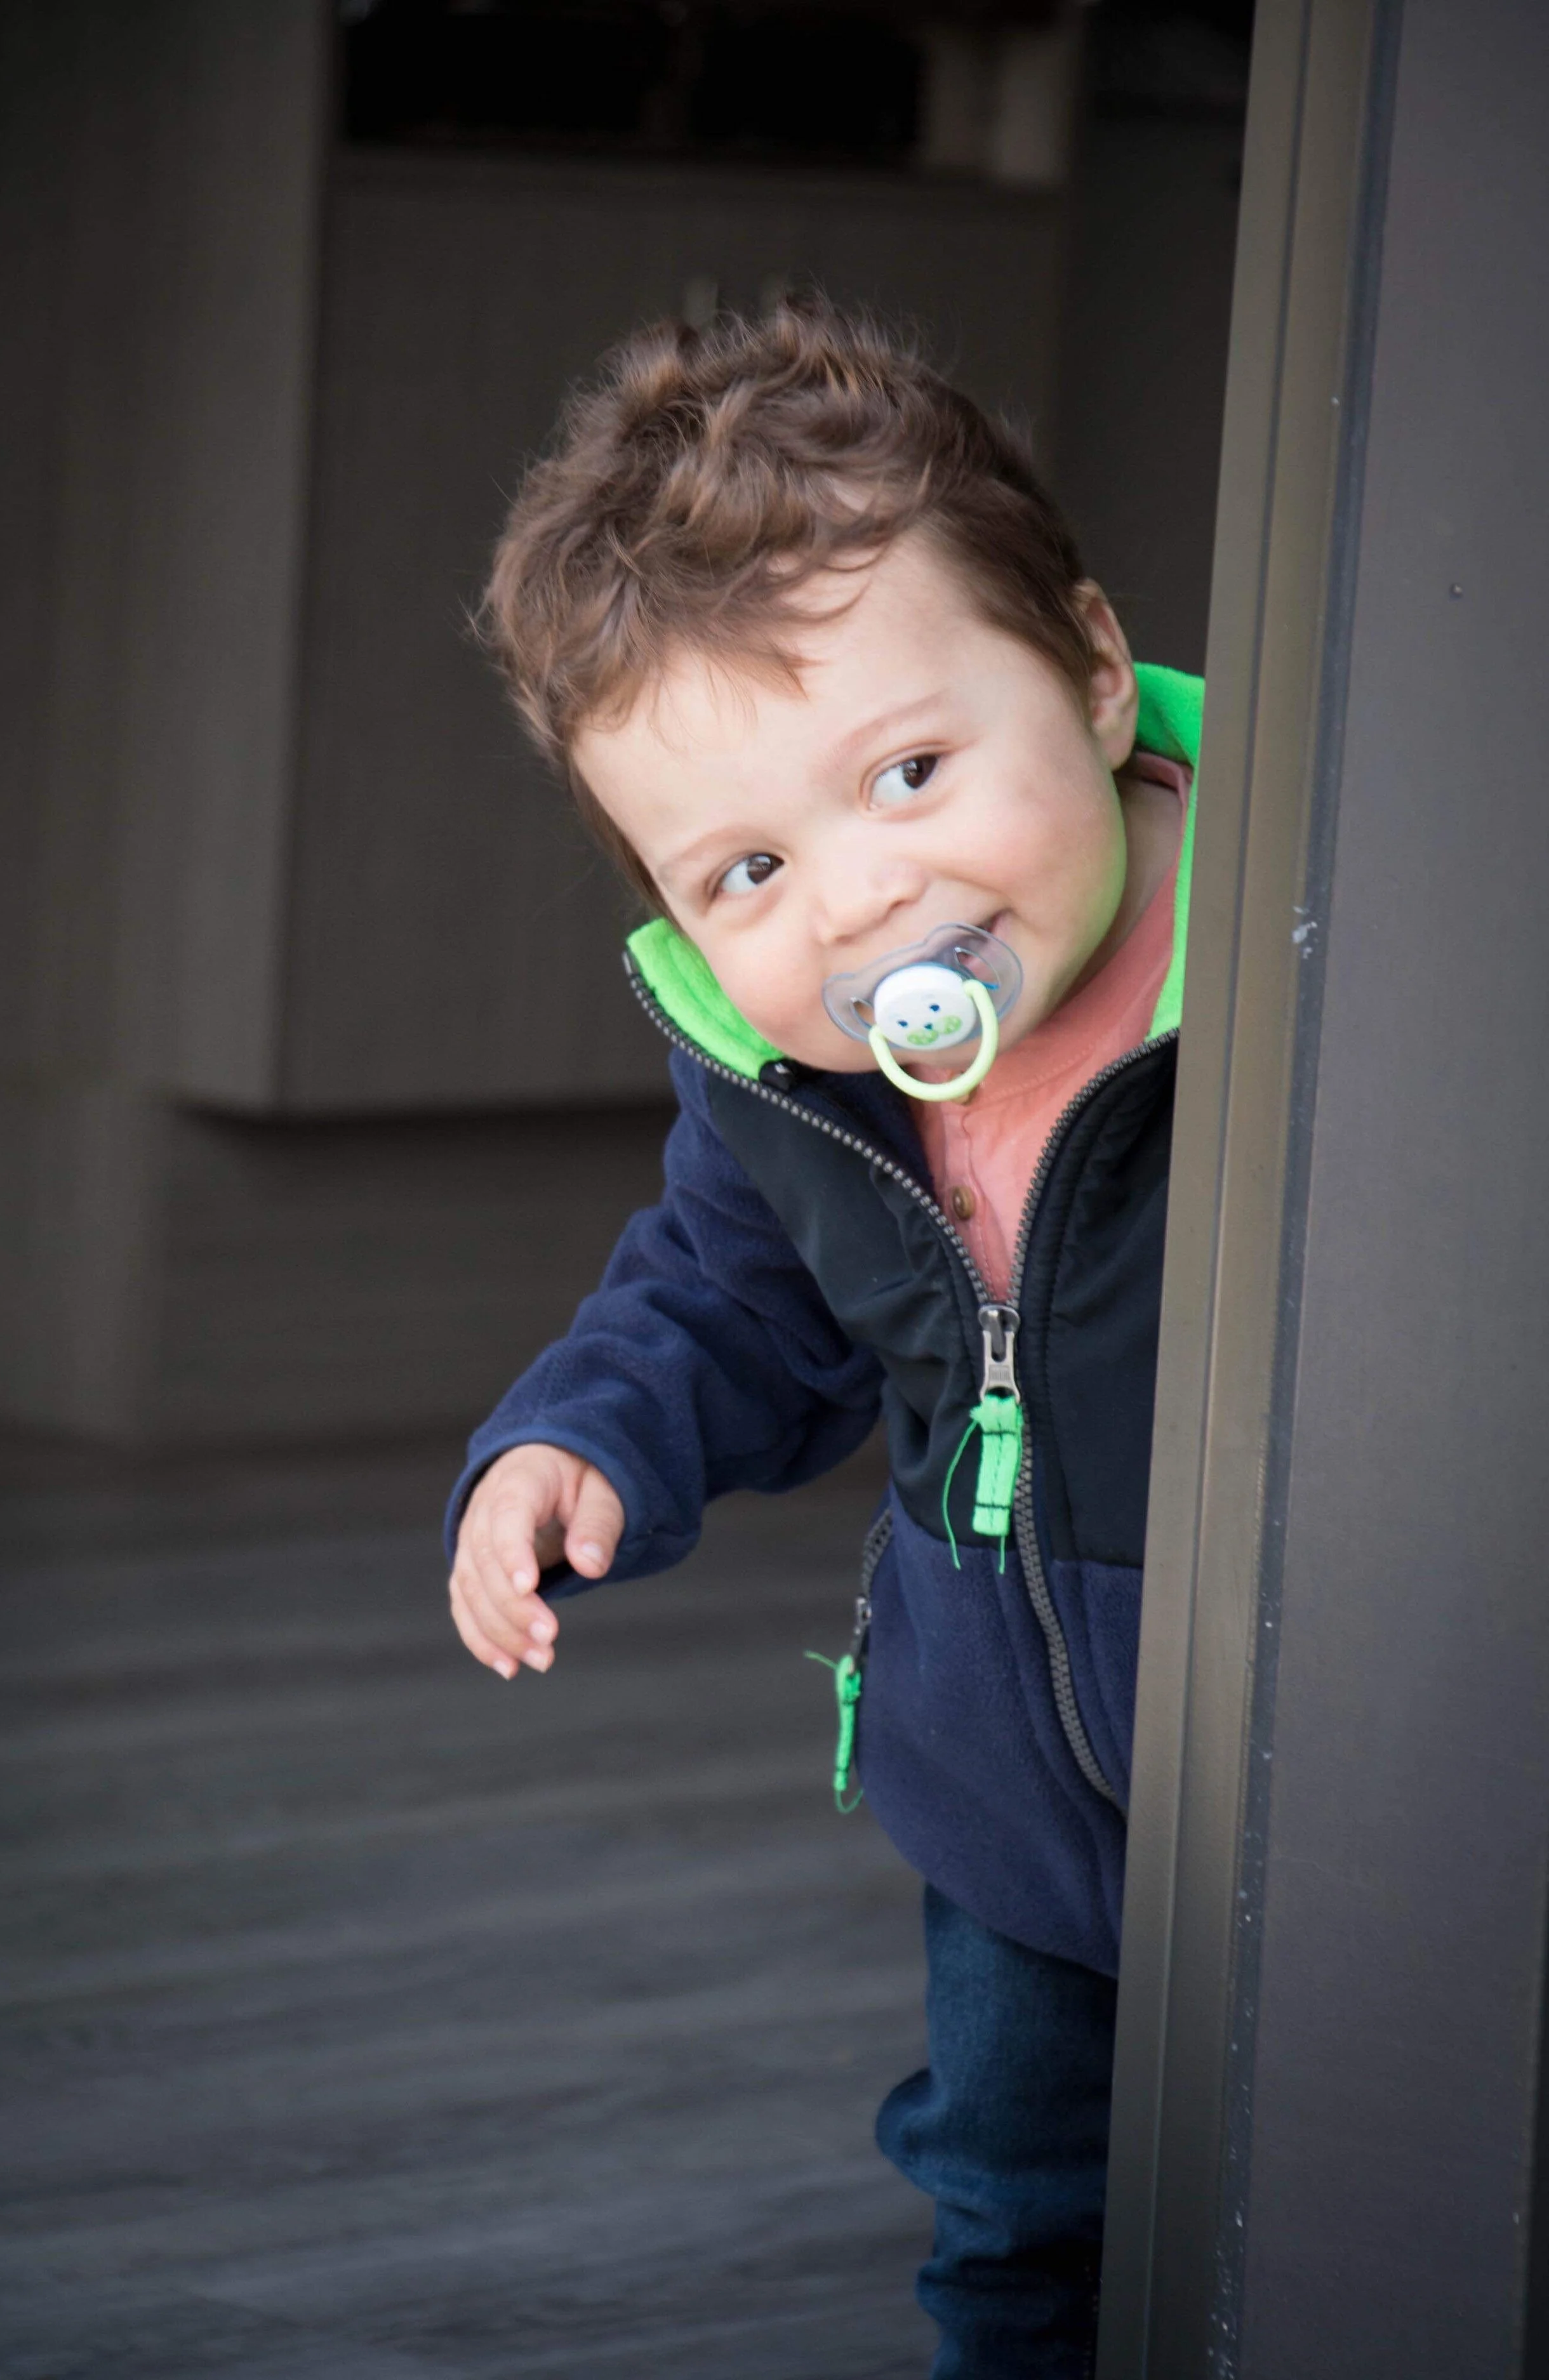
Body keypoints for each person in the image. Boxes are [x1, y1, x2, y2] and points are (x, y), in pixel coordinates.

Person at [445, 301, 1200, 2377]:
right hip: (1006, 1798)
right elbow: (723, 1291)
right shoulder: (795, 1083)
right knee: (1011, 2222)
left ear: (1088, 660)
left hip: (1319, 1776)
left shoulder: (1301, 968)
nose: (856, 902)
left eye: (909, 770)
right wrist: (583, 1434)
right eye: (748, 868)